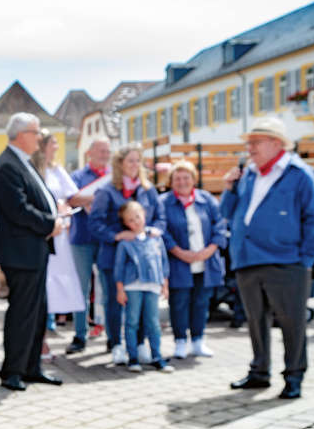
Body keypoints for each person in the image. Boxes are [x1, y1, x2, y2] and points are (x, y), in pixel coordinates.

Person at [221, 116, 314, 399]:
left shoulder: (299, 174)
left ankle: (294, 376)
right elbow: (227, 213)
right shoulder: (248, 173)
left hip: (287, 261)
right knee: (255, 320)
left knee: (291, 322)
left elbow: (312, 218)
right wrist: (229, 188)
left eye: (255, 142)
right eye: (248, 142)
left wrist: (305, 259)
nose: (249, 148)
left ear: (276, 144)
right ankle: (259, 372)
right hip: (248, 258)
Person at [0, 113, 62, 391]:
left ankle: (32, 367)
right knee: (22, 313)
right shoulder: (8, 165)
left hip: (34, 250)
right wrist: (50, 223)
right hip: (21, 252)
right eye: (36, 132)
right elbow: (18, 210)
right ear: (22, 135)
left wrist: (55, 216)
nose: (40, 137)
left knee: (37, 312)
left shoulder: (22, 162)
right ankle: (12, 371)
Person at [90, 144, 166, 365]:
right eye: (130, 161)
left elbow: (160, 218)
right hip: (113, 257)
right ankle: (116, 344)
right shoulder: (106, 191)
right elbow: (95, 223)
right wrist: (118, 235)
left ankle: (140, 344)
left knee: (141, 303)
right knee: (115, 302)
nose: (135, 165)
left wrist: (153, 231)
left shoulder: (148, 189)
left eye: (137, 161)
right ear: (120, 164)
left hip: (143, 259)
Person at [160, 161, 227, 359]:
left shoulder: (206, 199)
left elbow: (220, 225)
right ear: (171, 182)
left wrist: (210, 249)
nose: (182, 182)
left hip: (205, 261)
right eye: (177, 178)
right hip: (178, 261)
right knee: (179, 302)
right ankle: (180, 341)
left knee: (201, 302)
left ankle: (198, 340)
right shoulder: (164, 202)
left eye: (186, 178)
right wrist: (178, 251)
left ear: (193, 180)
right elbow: (162, 230)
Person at [31, 130, 88, 355]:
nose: (57, 146)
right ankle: (39, 341)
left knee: (53, 287)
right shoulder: (32, 169)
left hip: (59, 237)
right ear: (43, 145)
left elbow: (73, 196)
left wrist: (99, 194)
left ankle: (44, 334)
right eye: (53, 142)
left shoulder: (57, 170)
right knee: (40, 286)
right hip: (40, 234)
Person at [114, 201, 173, 373]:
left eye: (138, 217)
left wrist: (165, 284)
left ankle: (157, 356)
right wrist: (120, 289)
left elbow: (163, 263)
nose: (136, 222)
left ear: (144, 215)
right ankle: (133, 357)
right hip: (132, 286)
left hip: (153, 285)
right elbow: (119, 267)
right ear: (126, 223)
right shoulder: (125, 243)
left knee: (153, 322)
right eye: (131, 220)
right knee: (132, 321)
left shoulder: (155, 239)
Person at [66, 136, 110, 354]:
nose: (104, 155)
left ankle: (111, 335)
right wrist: (92, 200)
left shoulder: (113, 176)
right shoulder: (77, 176)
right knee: (81, 289)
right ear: (90, 153)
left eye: (107, 151)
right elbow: (71, 199)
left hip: (106, 240)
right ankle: (79, 334)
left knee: (108, 288)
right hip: (81, 239)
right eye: (100, 151)